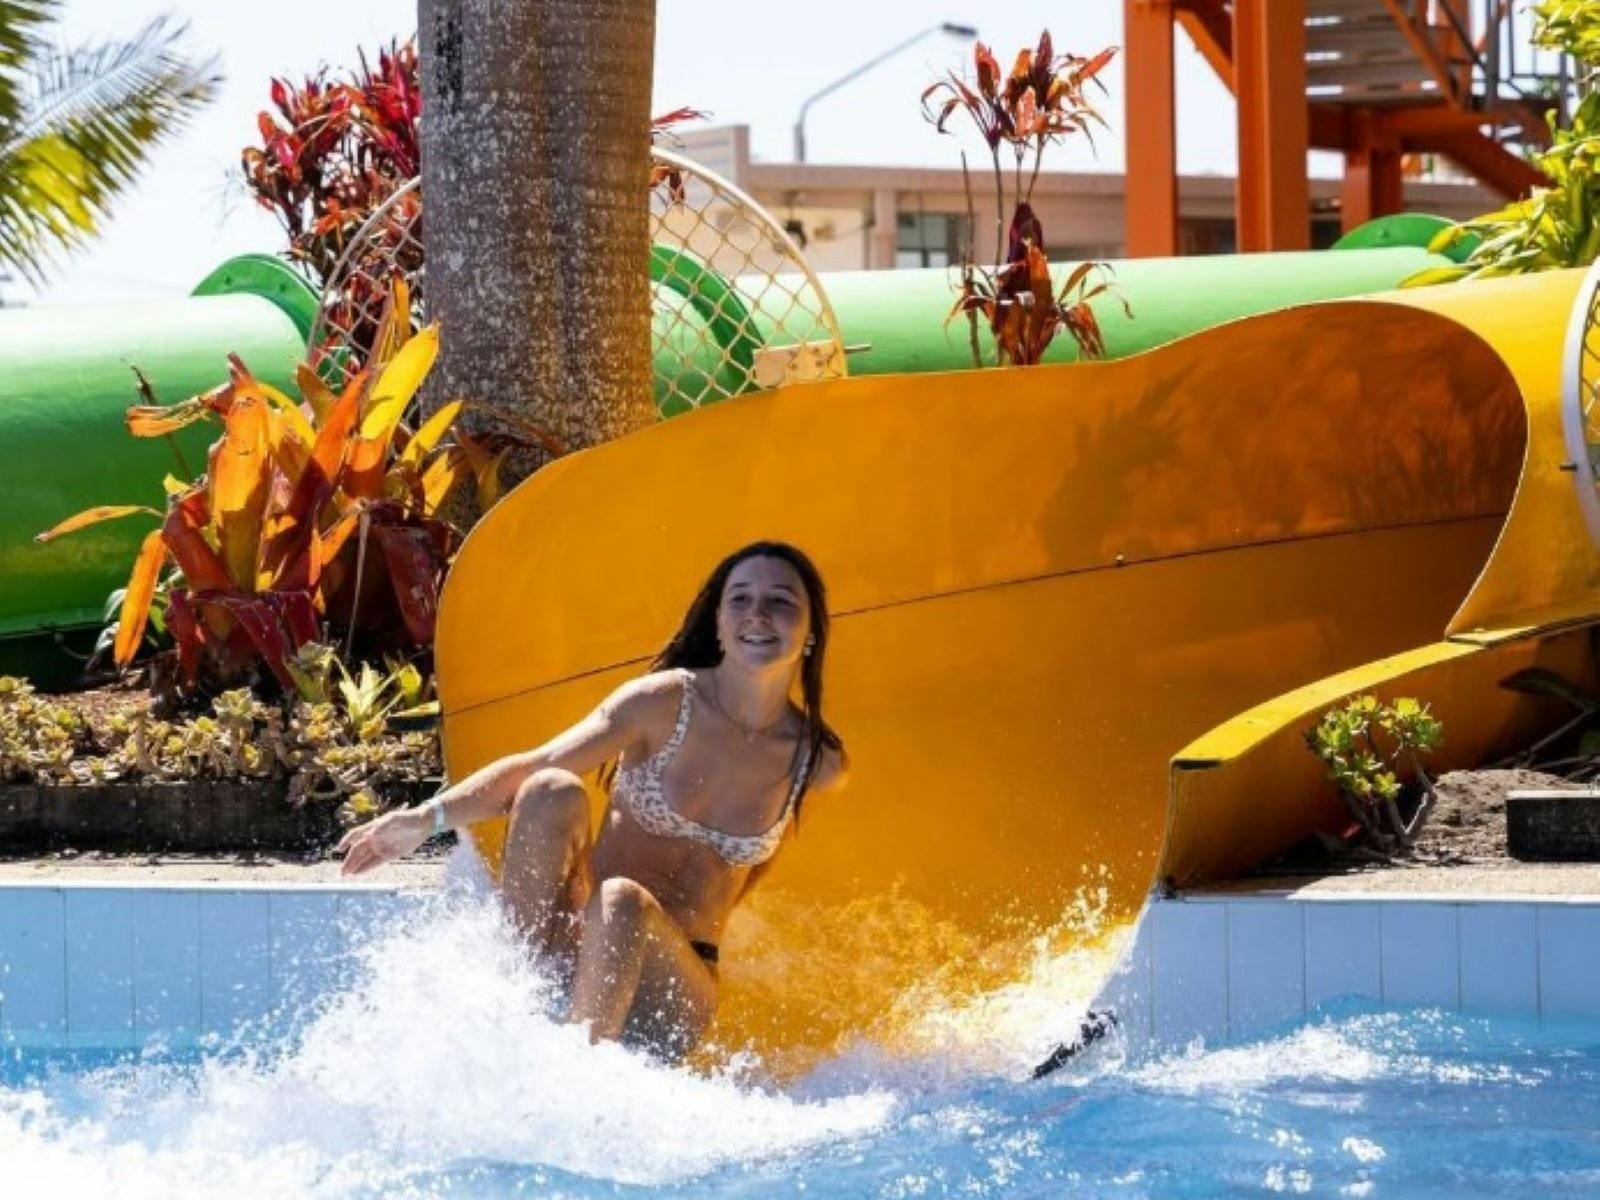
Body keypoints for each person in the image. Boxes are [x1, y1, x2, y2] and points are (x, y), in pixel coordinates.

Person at [337, 541, 848, 1059]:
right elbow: (533, 765)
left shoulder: (817, 765)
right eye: (740, 599)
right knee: (549, 789)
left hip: (671, 985)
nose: (757, 614)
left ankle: (571, 1077)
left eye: (781, 601)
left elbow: (754, 872)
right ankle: (513, 1003)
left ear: (810, 632)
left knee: (622, 900)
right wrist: (427, 817)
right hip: (573, 947)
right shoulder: (662, 702)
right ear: (718, 622)